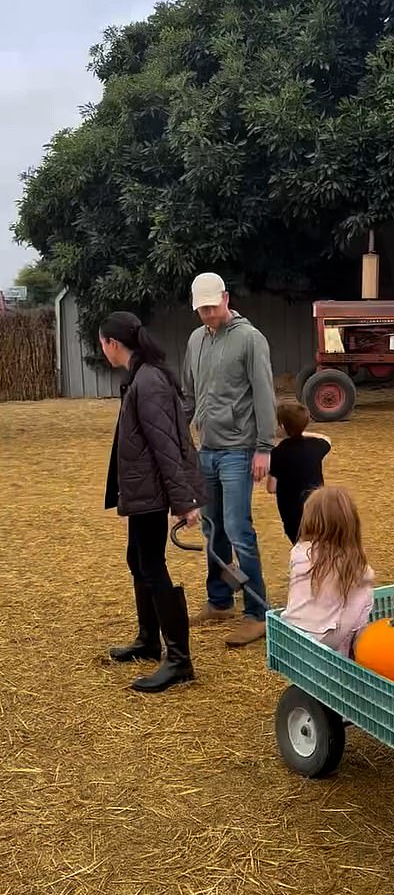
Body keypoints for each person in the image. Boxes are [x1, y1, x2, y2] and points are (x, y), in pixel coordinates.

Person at [101, 311, 206, 693]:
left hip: (153, 492)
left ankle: (179, 660)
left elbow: (168, 445)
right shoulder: (141, 377)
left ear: (112, 343)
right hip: (142, 490)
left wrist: (184, 500)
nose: (103, 350)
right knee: (138, 560)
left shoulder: (149, 382)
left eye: (103, 343)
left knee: (152, 564)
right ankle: (149, 640)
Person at [182, 272, 276, 647]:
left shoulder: (250, 339)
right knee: (212, 529)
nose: (206, 314)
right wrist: (179, 434)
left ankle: (258, 612)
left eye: (211, 306)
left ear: (225, 298)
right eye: (200, 308)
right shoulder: (195, 341)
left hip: (239, 450)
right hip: (207, 449)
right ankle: (220, 601)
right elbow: (189, 393)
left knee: (239, 529)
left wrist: (265, 448)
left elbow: (264, 394)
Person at [281, 485, 375, 655]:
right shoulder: (358, 568)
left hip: (290, 635)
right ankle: (351, 655)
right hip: (327, 645)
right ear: (351, 524)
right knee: (365, 592)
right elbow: (349, 620)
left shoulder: (299, 552)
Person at [267, 401, 332, 544]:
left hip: (292, 513)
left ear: (282, 427)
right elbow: (326, 439)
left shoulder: (277, 453)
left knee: (301, 546)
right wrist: (302, 432)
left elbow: (271, 488)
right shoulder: (316, 446)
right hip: (317, 508)